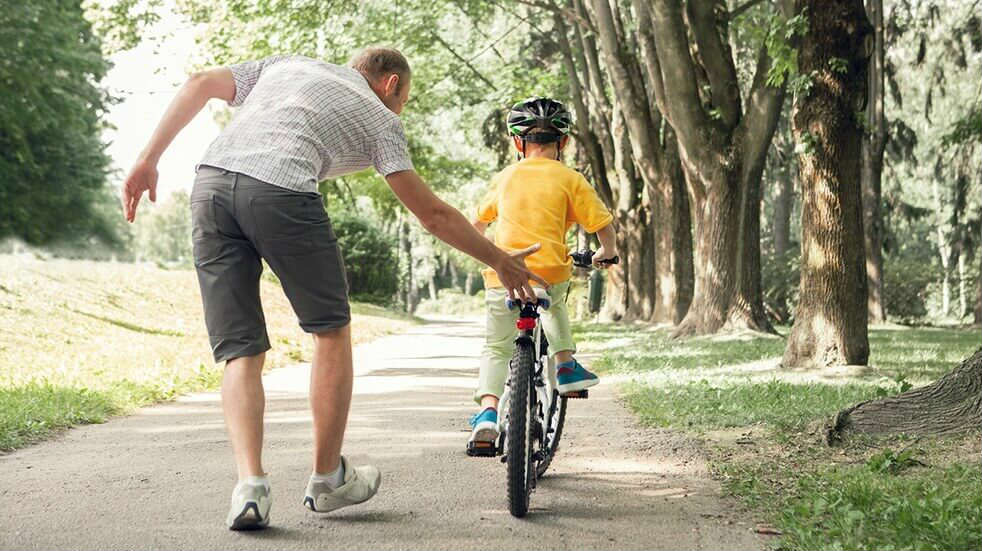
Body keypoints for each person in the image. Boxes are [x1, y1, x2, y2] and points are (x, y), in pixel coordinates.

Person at [120, 48, 548, 530]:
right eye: (403, 99)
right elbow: (432, 214)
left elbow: (198, 81)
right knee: (330, 330)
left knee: (240, 349)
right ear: (390, 85)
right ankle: (326, 479)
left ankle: (250, 487)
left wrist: (147, 159)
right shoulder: (380, 117)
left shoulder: (285, 64)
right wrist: (499, 260)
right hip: (281, 192)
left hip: (211, 187)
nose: (400, 110)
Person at [467, 97, 617, 448]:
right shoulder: (570, 178)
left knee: (496, 346)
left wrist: (486, 255)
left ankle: (488, 412)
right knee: (555, 305)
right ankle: (565, 364)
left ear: (518, 142)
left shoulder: (505, 177)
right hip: (548, 269)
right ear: (563, 142)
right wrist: (606, 252)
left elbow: (476, 224)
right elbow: (602, 223)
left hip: (503, 273)